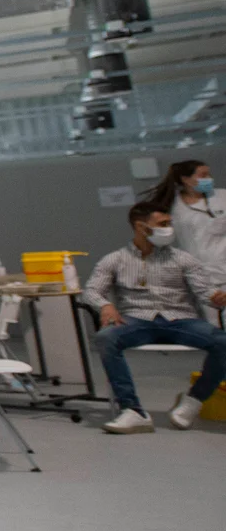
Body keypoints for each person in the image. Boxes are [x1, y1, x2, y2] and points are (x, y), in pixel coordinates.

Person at [86, 202, 226, 434]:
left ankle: (194, 400)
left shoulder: (183, 259)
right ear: (141, 227)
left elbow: (205, 292)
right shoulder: (115, 259)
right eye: (163, 224)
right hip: (137, 320)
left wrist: (217, 297)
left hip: (181, 319)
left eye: (170, 223)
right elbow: (91, 290)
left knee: (223, 341)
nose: (169, 228)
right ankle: (132, 411)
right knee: (106, 338)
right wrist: (106, 305)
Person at [142, 159, 226, 268]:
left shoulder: (222, 196)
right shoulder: (173, 205)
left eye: (209, 174)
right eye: (203, 175)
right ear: (186, 179)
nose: (209, 178)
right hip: (197, 267)